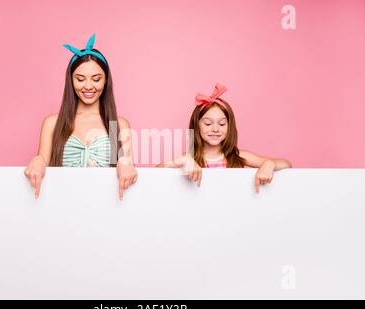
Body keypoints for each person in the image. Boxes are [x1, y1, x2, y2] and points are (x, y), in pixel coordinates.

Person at [24, 34, 137, 200]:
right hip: (61, 204)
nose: (88, 86)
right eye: (80, 79)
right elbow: (42, 161)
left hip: (106, 206)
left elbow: (128, 171)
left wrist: (126, 164)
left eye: (96, 79)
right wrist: (37, 161)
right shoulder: (53, 123)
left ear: (106, 81)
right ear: (71, 80)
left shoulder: (118, 124)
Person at [157, 83, 292, 192]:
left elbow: (287, 165)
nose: (215, 129)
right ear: (197, 127)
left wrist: (269, 164)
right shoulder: (190, 158)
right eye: (208, 123)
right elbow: (156, 173)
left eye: (221, 124)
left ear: (229, 126)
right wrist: (183, 160)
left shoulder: (238, 156)